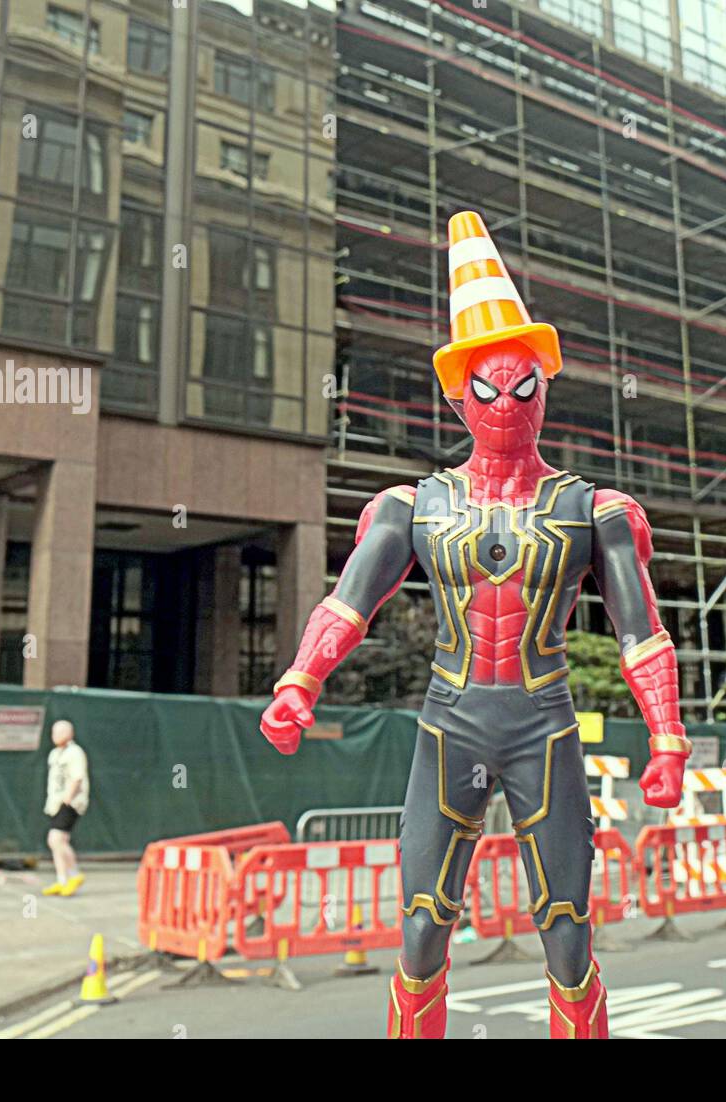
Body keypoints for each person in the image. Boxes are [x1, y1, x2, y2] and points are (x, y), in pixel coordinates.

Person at [260, 210, 687, 1039]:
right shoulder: (411, 507)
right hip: (450, 721)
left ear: (545, 384)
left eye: (522, 384)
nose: (505, 403)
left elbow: (641, 631)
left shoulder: (591, 510)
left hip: (543, 722)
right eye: (487, 388)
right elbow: (349, 601)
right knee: (420, 927)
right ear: (459, 395)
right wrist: (298, 681)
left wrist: (667, 738)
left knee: (566, 928)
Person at [42, 720, 89, 897]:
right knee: (59, 842)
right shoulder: (54, 754)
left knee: (55, 839)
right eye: (54, 732)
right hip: (55, 802)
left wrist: (68, 798)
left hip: (70, 802)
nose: (54, 735)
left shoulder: (75, 753)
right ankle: (63, 880)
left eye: (59, 732)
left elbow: (77, 777)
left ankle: (74, 874)